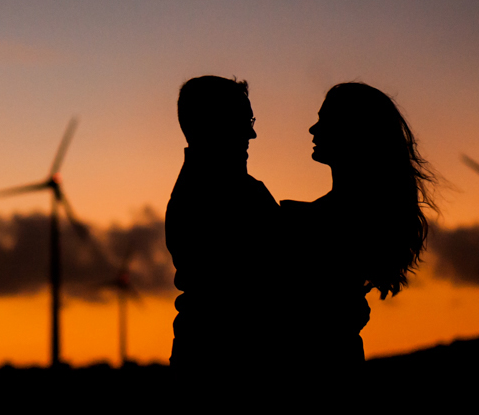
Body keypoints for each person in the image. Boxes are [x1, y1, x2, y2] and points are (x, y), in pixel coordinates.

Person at [277, 82, 435, 368]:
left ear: (352, 131)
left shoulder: (329, 220)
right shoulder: (351, 214)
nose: (313, 130)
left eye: (324, 120)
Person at [166, 76, 279, 371]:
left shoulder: (200, 191)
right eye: (243, 120)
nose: (251, 134)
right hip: (228, 365)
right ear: (213, 123)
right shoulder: (233, 197)